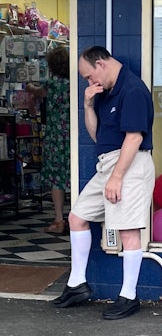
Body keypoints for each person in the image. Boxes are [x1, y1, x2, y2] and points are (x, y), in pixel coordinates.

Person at [53, 46, 155, 319]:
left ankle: (129, 296)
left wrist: (118, 177)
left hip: (130, 164)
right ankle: (77, 284)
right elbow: (96, 134)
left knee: (128, 231)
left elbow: (134, 138)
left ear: (101, 63)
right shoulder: (105, 92)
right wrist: (87, 104)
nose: (89, 82)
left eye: (89, 76)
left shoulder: (133, 89)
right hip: (107, 164)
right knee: (77, 217)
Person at [26, 45, 70, 234]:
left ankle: (59, 219)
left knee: (56, 180)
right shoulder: (73, 84)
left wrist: (26, 82)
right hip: (72, 136)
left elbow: (36, 91)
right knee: (74, 176)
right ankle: (77, 218)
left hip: (54, 137)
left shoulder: (51, 85)